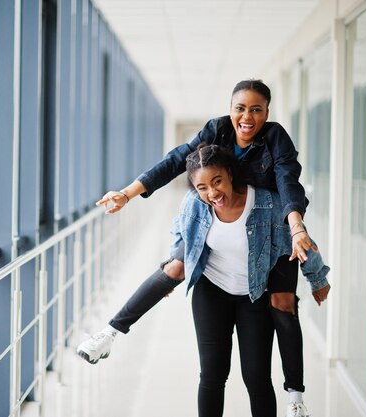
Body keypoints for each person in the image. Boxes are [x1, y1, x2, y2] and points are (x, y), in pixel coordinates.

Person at [77, 79, 330, 417]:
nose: (247, 116)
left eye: (256, 109)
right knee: (178, 273)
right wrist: (128, 193)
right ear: (229, 110)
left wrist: (298, 231)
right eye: (240, 108)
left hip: (274, 228)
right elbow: (174, 163)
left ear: (267, 112)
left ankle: (295, 399)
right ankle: (109, 333)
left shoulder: (274, 141)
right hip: (216, 282)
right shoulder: (211, 151)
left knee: (279, 314)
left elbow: (287, 182)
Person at [171, 144, 330, 416]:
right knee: (212, 374)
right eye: (202, 187)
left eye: (217, 181)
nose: (212, 193)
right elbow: (181, 233)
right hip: (212, 291)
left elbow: (302, 240)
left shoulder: (266, 202)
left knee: (256, 377)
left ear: (231, 174)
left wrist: (317, 279)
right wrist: (171, 268)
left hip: (253, 294)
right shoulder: (195, 203)